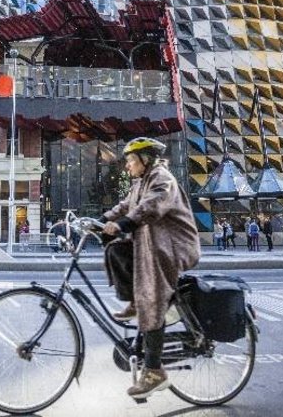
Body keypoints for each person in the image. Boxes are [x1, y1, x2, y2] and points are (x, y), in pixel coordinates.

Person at [101, 137, 200, 400]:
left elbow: (153, 204)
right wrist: (102, 220)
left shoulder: (161, 177)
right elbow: (125, 206)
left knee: (151, 296)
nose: (128, 167)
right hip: (151, 243)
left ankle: (155, 372)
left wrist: (124, 225)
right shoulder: (140, 183)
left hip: (171, 247)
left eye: (132, 161)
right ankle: (135, 301)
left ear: (146, 160)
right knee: (116, 250)